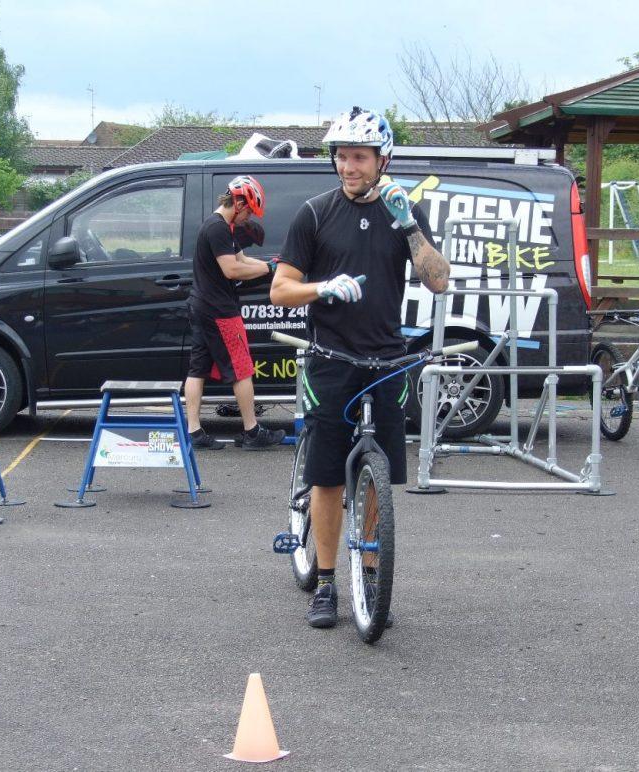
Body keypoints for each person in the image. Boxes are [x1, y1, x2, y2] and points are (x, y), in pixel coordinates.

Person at [271, 106, 451, 628]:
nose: (348, 167)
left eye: (359, 158)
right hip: (332, 358)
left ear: (382, 160)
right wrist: (322, 288)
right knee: (328, 477)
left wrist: (408, 223)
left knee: (378, 476)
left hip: (387, 359)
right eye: (342, 157)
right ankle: (327, 582)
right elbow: (280, 289)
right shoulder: (315, 214)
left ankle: (370, 576)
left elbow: (439, 280)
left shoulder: (404, 213)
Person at [185, 175, 285, 450]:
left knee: (198, 369)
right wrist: (269, 269)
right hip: (219, 311)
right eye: (249, 211)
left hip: (202, 306)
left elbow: (242, 259)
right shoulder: (218, 229)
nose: (249, 217)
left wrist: (271, 264)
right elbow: (232, 269)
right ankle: (252, 432)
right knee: (241, 369)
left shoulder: (222, 227)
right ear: (239, 203)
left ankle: (194, 432)